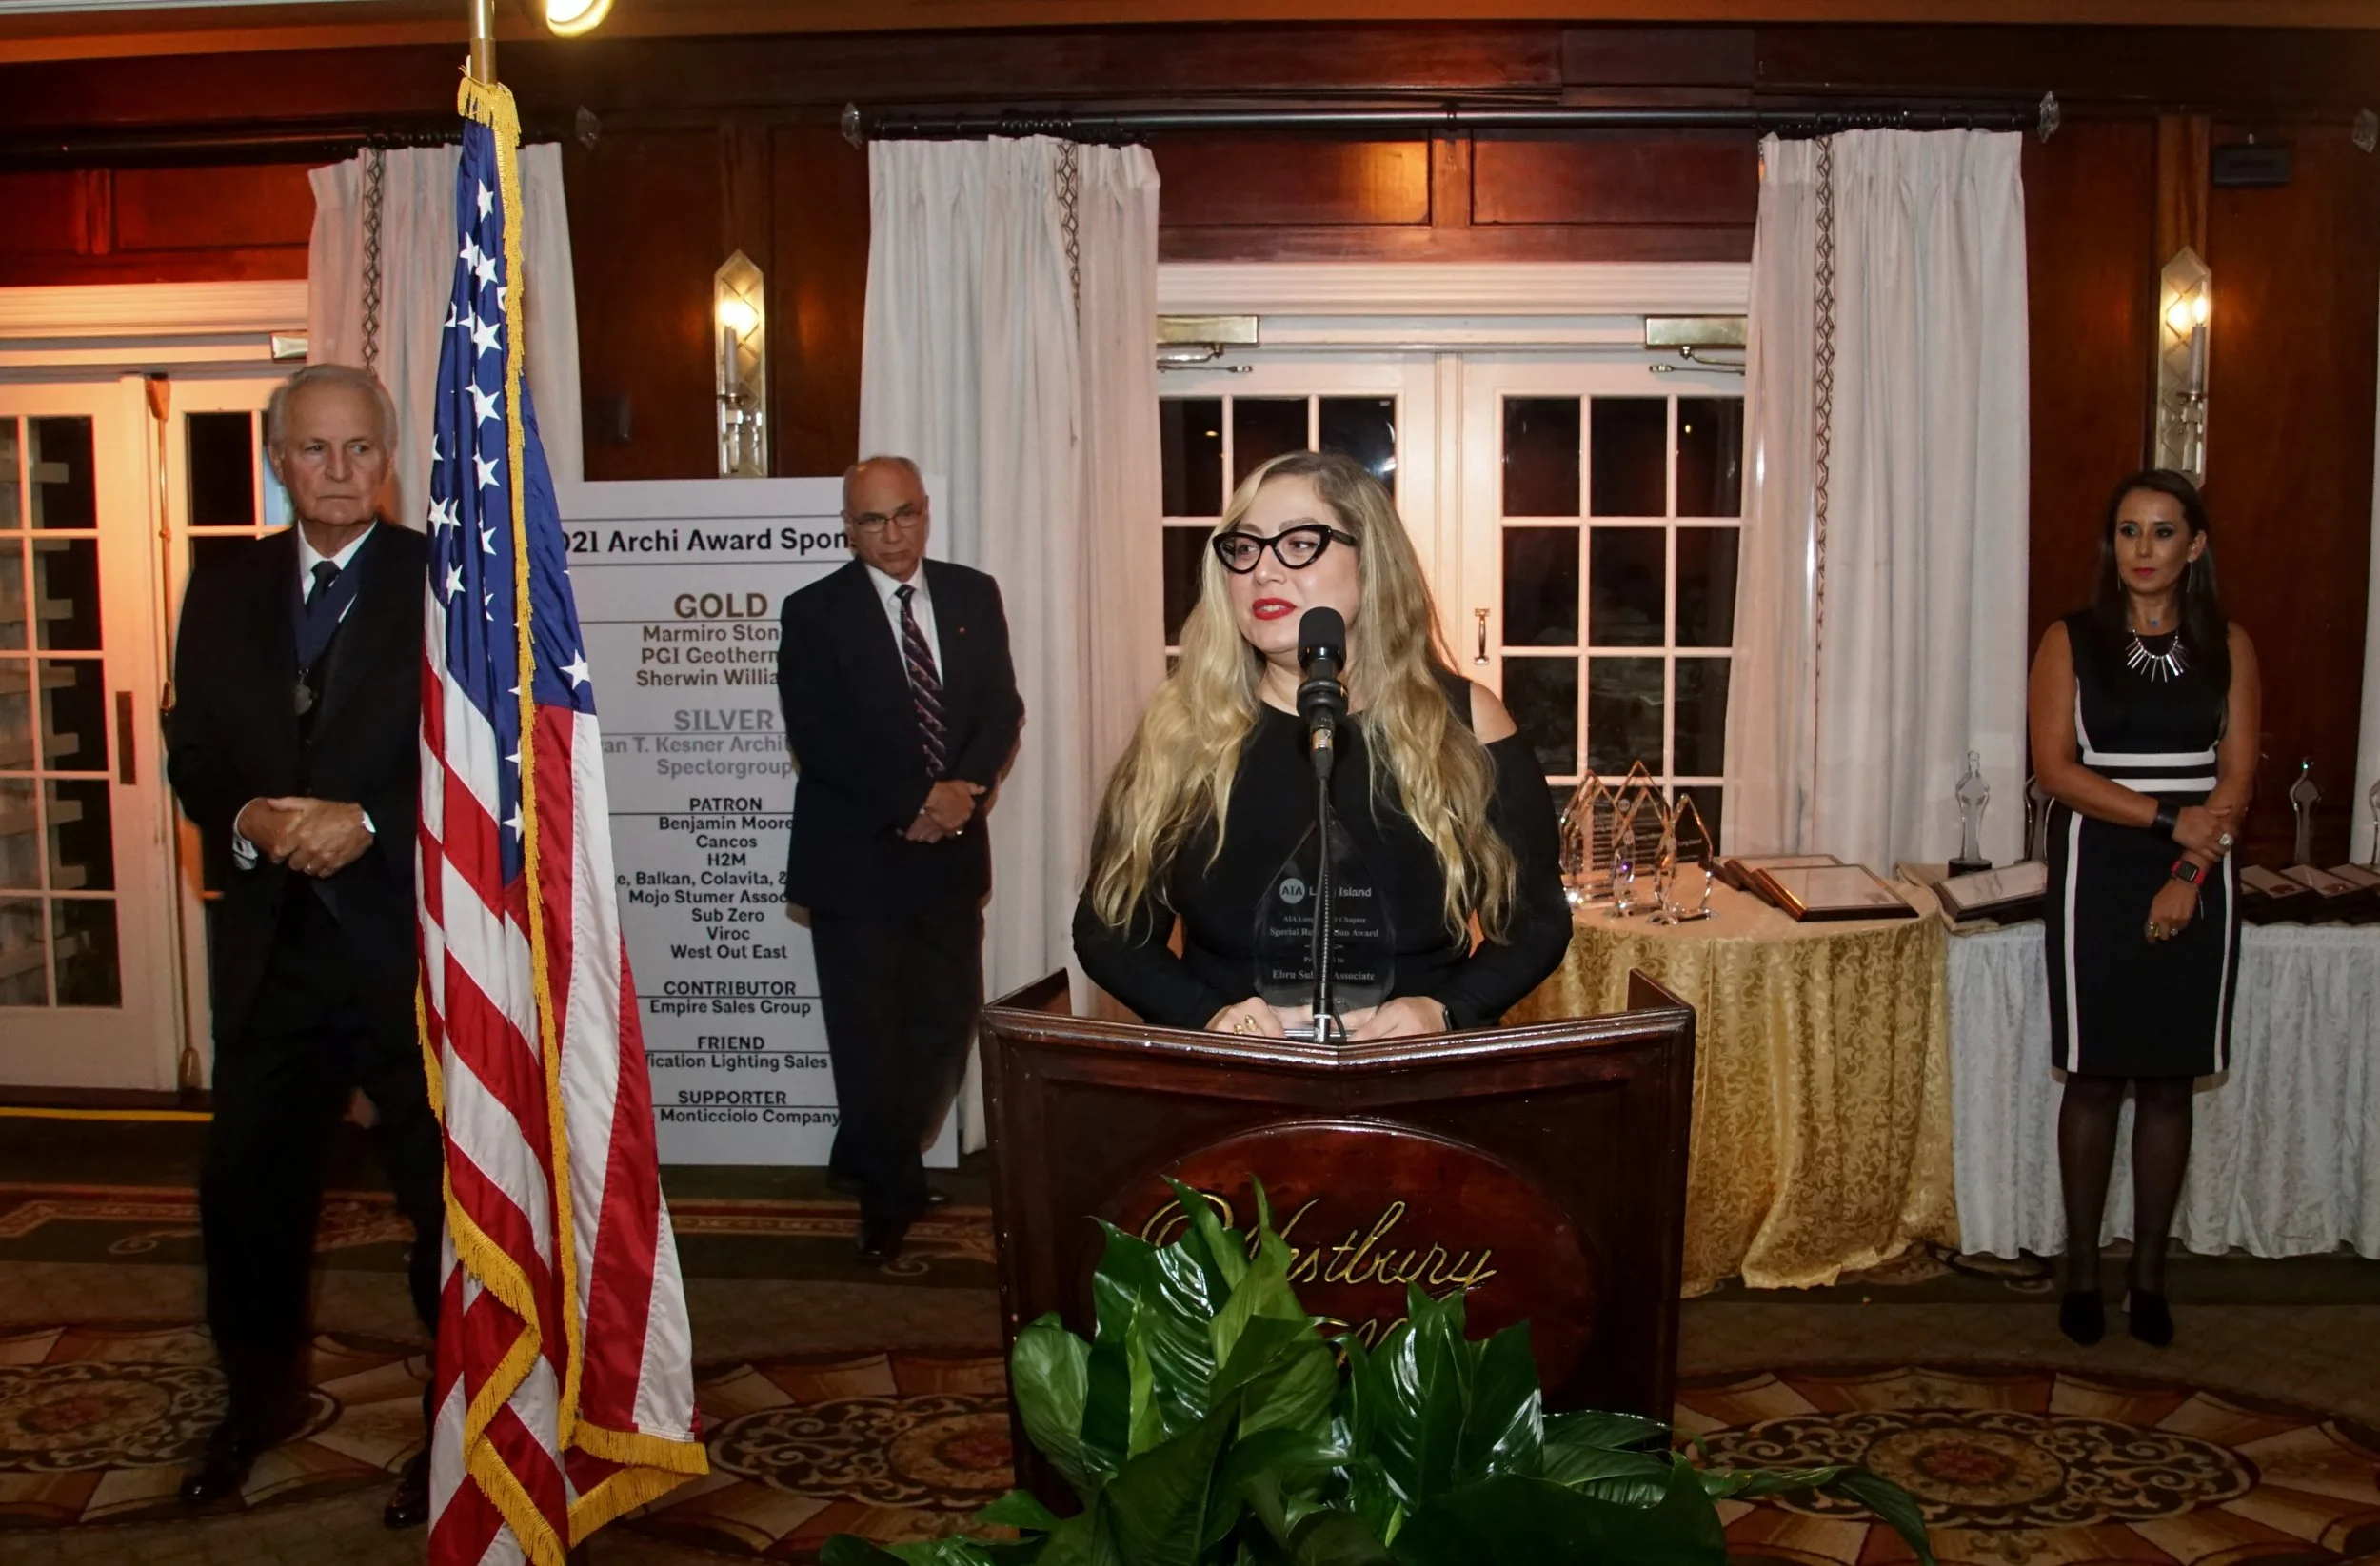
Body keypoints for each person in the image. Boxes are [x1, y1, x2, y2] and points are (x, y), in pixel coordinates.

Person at [164, 364, 440, 1526]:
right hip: (271, 954)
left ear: (389, 459)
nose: (337, 470)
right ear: (279, 460)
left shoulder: (447, 579)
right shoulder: (224, 584)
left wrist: (367, 817)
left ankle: (460, 1419)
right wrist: (250, 818)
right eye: (314, 449)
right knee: (245, 1200)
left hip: (406, 951)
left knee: (445, 1201)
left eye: (359, 448)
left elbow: (496, 754)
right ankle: (256, 1400)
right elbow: (192, 746)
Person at [1075, 449, 1571, 1039]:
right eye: (1244, 548)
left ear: (1371, 560)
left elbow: (1537, 923)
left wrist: (1444, 1010)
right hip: (1235, 1073)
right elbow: (1108, 931)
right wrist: (1209, 1016)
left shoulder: (1466, 722)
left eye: (1299, 543)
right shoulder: (1180, 730)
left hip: (1415, 1073)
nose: (1263, 571)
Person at [2029, 468, 2259, 1349]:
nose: (2144, 549)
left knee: (2168, 1081)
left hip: (2202, 869)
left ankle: (2151, 1274)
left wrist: (2190, 871)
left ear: (2194, 545)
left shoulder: (2229, 644)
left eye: (2164, 532)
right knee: (2093, 1078)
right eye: (2129, 531)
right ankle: (2083, 1270)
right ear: (2112, 544)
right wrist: (2169, 821)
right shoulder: (2070, 640)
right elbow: (2057, 771)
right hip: (2098, 868)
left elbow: (2235, 780)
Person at [777, 455, 1022, 1265]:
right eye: (872, 521)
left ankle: (865, 1151)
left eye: (905, 514)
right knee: (867, 1039)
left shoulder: (972, 594)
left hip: (949, 859)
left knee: (946, 1024)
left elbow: (1001, 709)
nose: (892, 534)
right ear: (848, 529)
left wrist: (963, 793)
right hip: (855, 863)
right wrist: (918, 799)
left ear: (925, 511)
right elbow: (820, 738)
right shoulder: (813, 612)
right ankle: (888, 1195)